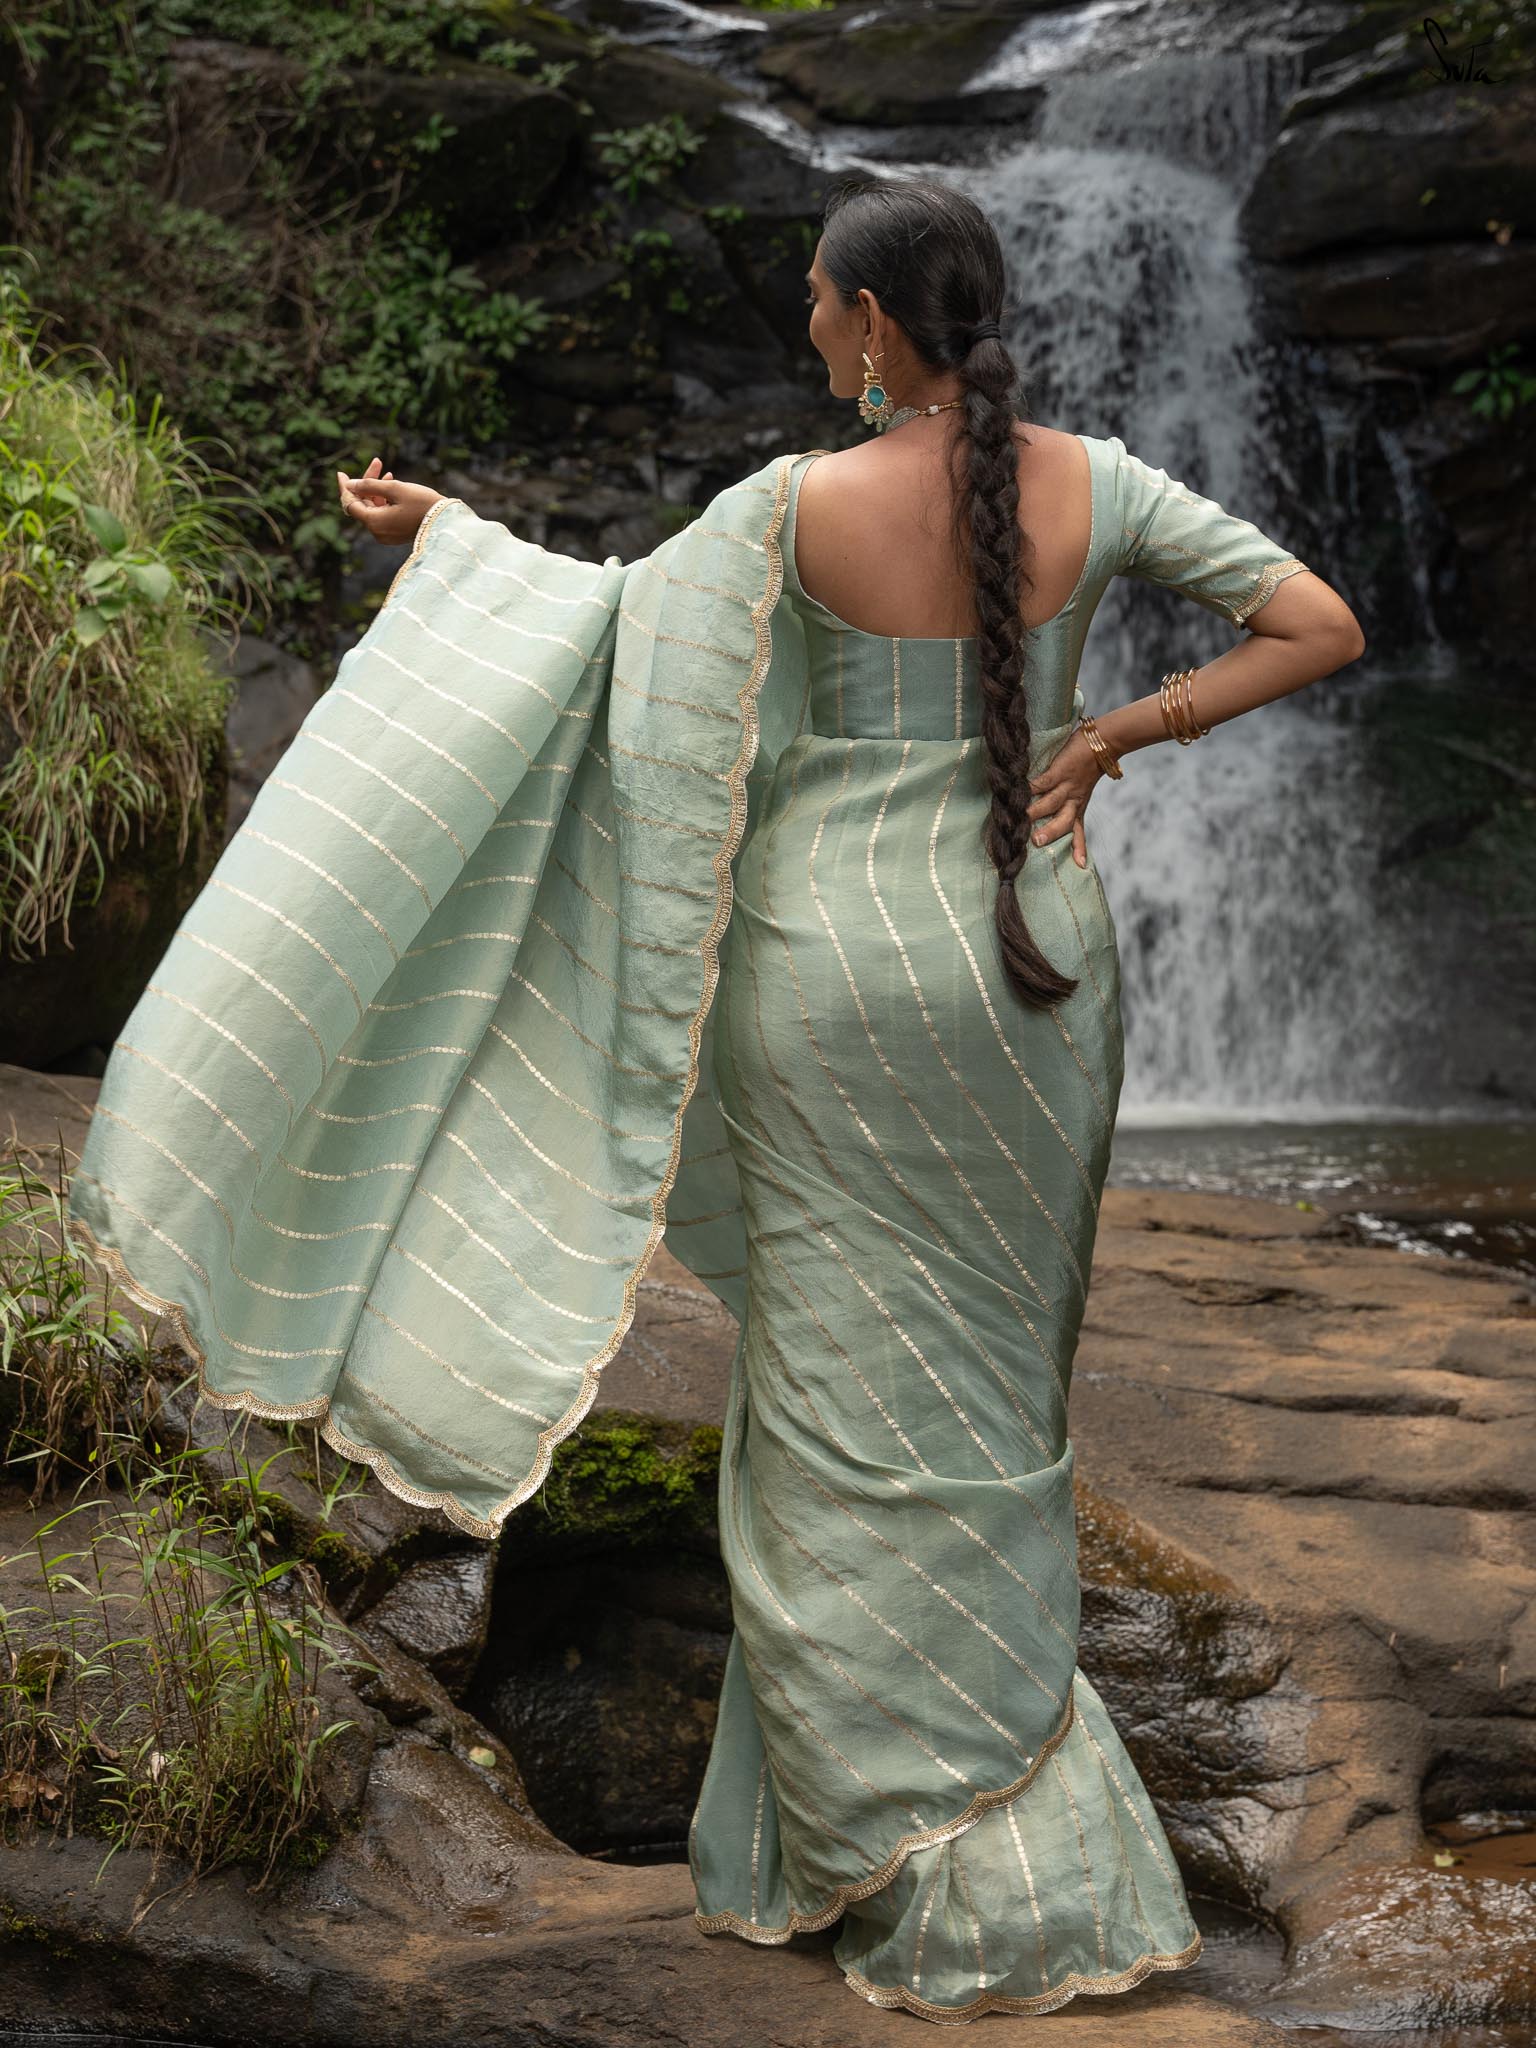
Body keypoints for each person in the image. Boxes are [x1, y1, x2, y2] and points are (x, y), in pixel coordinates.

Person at [69, 173, 1364, 2022]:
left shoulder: (793, 508)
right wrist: (1112, 736)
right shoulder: (1107, 484)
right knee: (994, 1409)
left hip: (825, 981)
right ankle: (997, 1849)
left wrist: (451, 539)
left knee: (834, 1412)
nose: (811, 326)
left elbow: (601, 641)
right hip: (1034, 988)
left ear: (871, 324)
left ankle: (863, 1850)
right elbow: (1319, 624)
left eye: (819, 301)